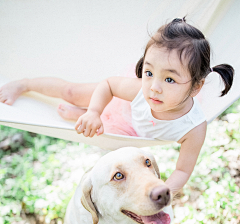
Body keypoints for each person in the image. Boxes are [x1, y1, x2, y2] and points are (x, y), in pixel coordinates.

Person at [0, 18, 234, 195]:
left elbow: (182, 170)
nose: (154, 87)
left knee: (112, 143)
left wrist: (164, 193)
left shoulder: (194, 127)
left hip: (133, 132)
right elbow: (108, 85)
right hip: (119, 102)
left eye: (169, 79)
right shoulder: (140, 90)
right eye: (149, 72)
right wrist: (94, 111)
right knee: (71, 93)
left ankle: (89, 117)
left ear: (195, 87)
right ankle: (26, 84)